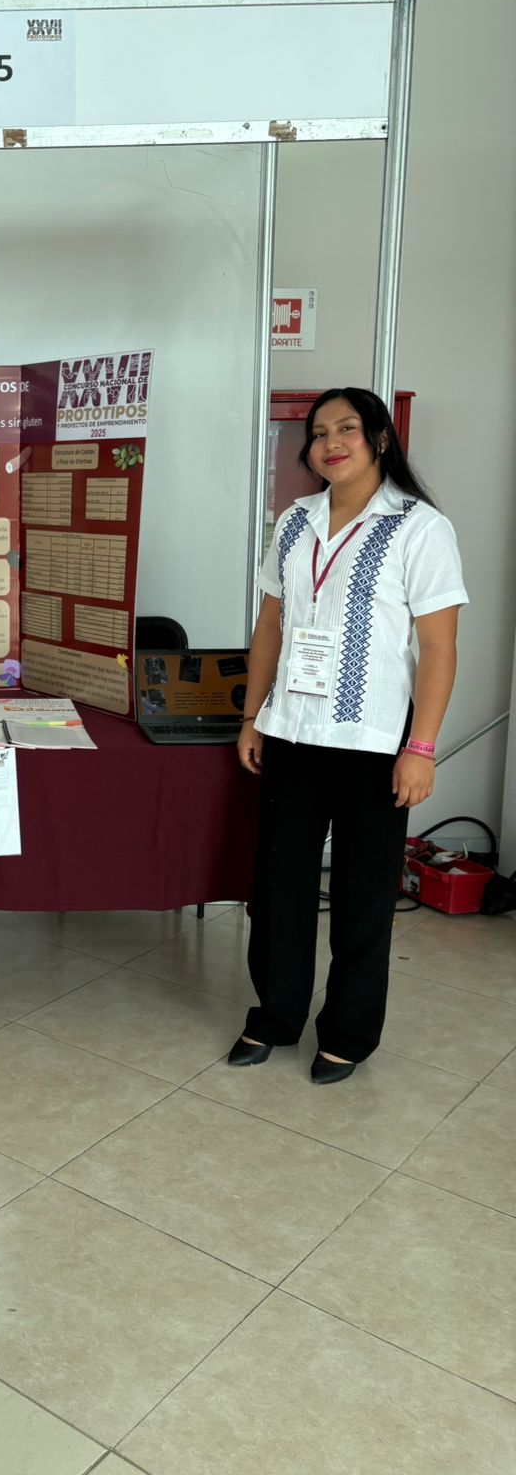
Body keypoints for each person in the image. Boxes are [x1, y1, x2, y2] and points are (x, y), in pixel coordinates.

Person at [229, 387, 467, 1085]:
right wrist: (252, 715)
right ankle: (275, 1015)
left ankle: (348, 1035)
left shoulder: (420, 528)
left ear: (380, 439)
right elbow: (270, 624)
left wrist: (421, 748)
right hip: (292, 731)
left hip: (374, 741)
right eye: (319, 433)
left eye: (348, 429)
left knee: (363, 894)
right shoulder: (294, 522)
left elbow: (439, 647)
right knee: (280, 886)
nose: (331, 443)